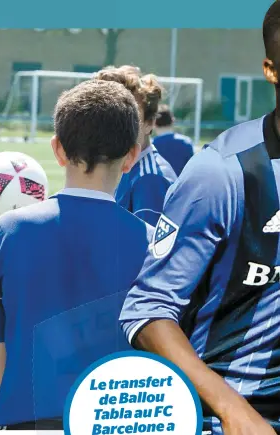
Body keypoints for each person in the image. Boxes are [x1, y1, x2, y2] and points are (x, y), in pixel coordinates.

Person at [119, 2, 280, 433]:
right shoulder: (224, 172)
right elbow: (147, 311)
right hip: (241, 416)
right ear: (272, 69)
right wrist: (234, 410)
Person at [0, 80, 153, 430]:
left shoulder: (5, 233)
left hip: (31, 423)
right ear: (132, 155)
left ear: (57, 149)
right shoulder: (151, 243)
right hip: (113, 422)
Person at [95, 66, 177, 226]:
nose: (117, 124)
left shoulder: (149, 180)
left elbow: (147, 249)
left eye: (129, 116)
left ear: (149, 123)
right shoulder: (126, 168)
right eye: (110, 114)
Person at [153, 104, 195, 177]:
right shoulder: (186, 142)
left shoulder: (152, 145)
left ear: (154, 123)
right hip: (181, 186)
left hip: (160, 186)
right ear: (172, 121)